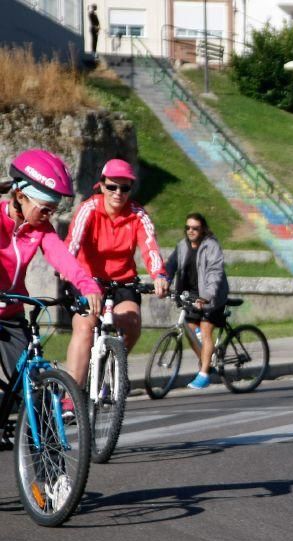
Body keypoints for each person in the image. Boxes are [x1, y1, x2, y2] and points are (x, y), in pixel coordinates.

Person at [0, 150, 102, 429]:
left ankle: (50, 467)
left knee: (34, 389)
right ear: (20, 196)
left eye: (52, 211)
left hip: (10, 313)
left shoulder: (40, 228)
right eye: (44, 208)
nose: (48, 216)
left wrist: (86, 285)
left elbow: (62, 257)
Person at [65, 159, 168, 389]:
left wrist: (159, 275)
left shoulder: (138, 214)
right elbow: (73, 240)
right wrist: (66, 267)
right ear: (101, 185)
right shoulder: (89, 209)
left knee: (132, 322)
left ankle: (110, 366)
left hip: (123, 281)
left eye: (125, 188)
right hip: (89, 280)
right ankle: (71, 395)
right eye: (112, 186)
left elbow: (150, 245)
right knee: (85, 325)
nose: (118, 193)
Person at [164, 213, 229, 389]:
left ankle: (204, 373)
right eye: (188, 228)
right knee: (190, 330)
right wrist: (164, 281)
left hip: (212, 295)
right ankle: (208, 359)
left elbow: (215, 273)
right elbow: (170, 265)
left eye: (195, 228)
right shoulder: (182, 246)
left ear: (202, 229)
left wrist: (207, 296)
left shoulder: (211, 246)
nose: (190, 231)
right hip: (191, 295)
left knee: (206, 330)